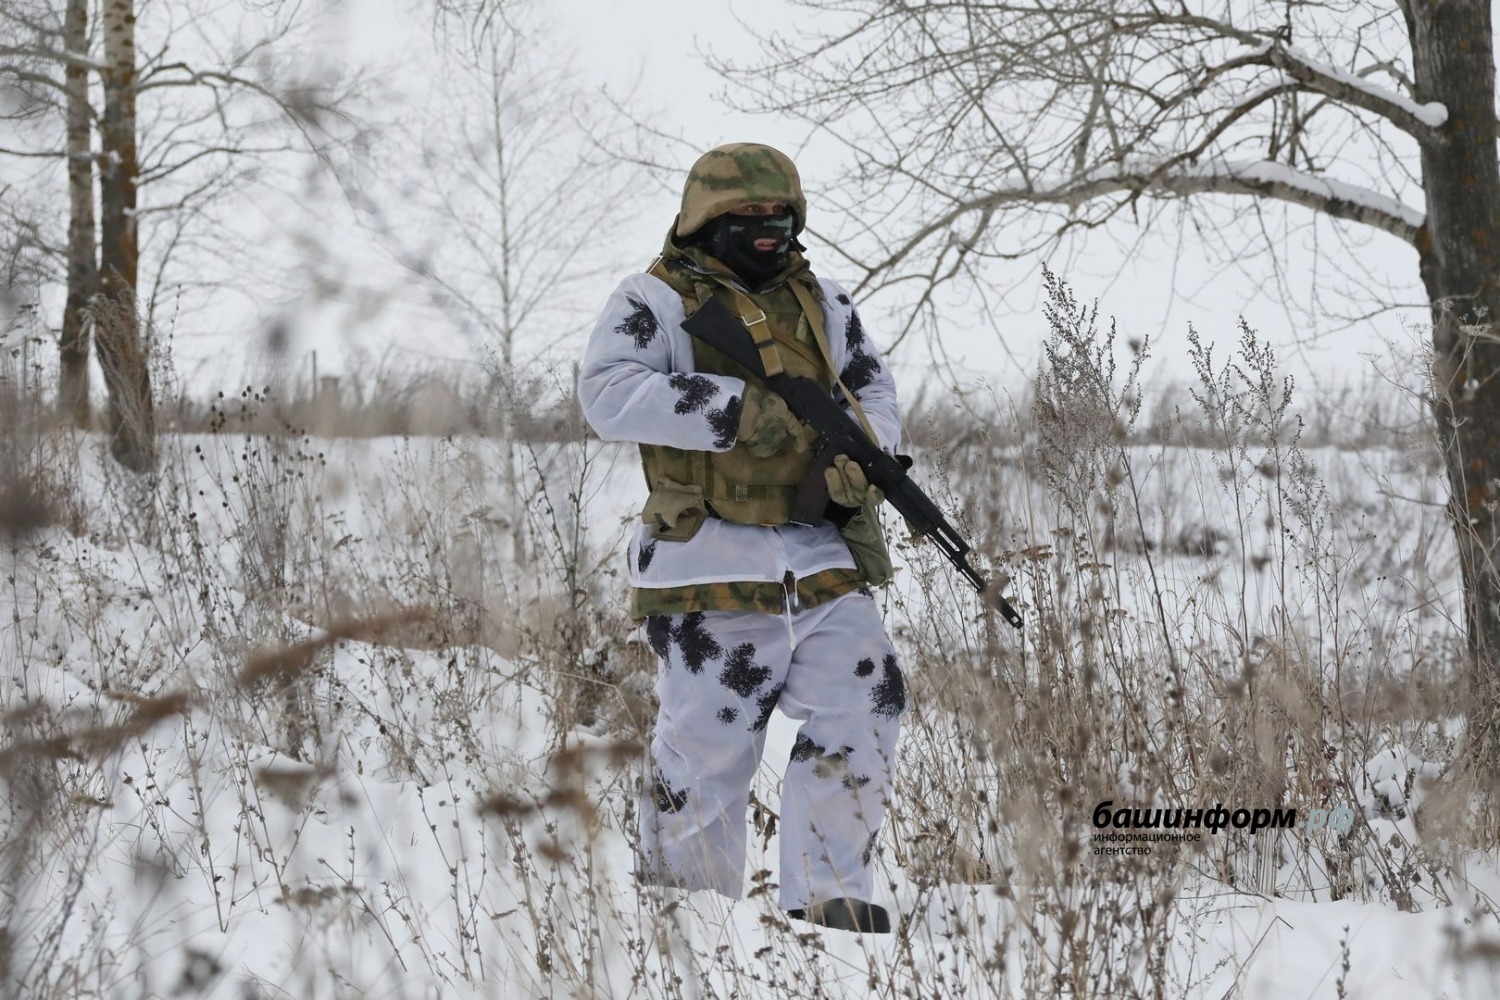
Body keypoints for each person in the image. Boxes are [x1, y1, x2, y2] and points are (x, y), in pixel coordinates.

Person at [577, 142, 907, 934]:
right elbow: (607, 391)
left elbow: (870, 386)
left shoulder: (826, 301)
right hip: (708, 557)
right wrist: (734, 412)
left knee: (868, 701)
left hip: (818, 551)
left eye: (778, 215)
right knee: (709, 744)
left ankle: (829, 897)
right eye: (745, 217)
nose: (765, 229)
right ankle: (688, 916)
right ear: (704, 219)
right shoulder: (653, 300)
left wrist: (866, 457)